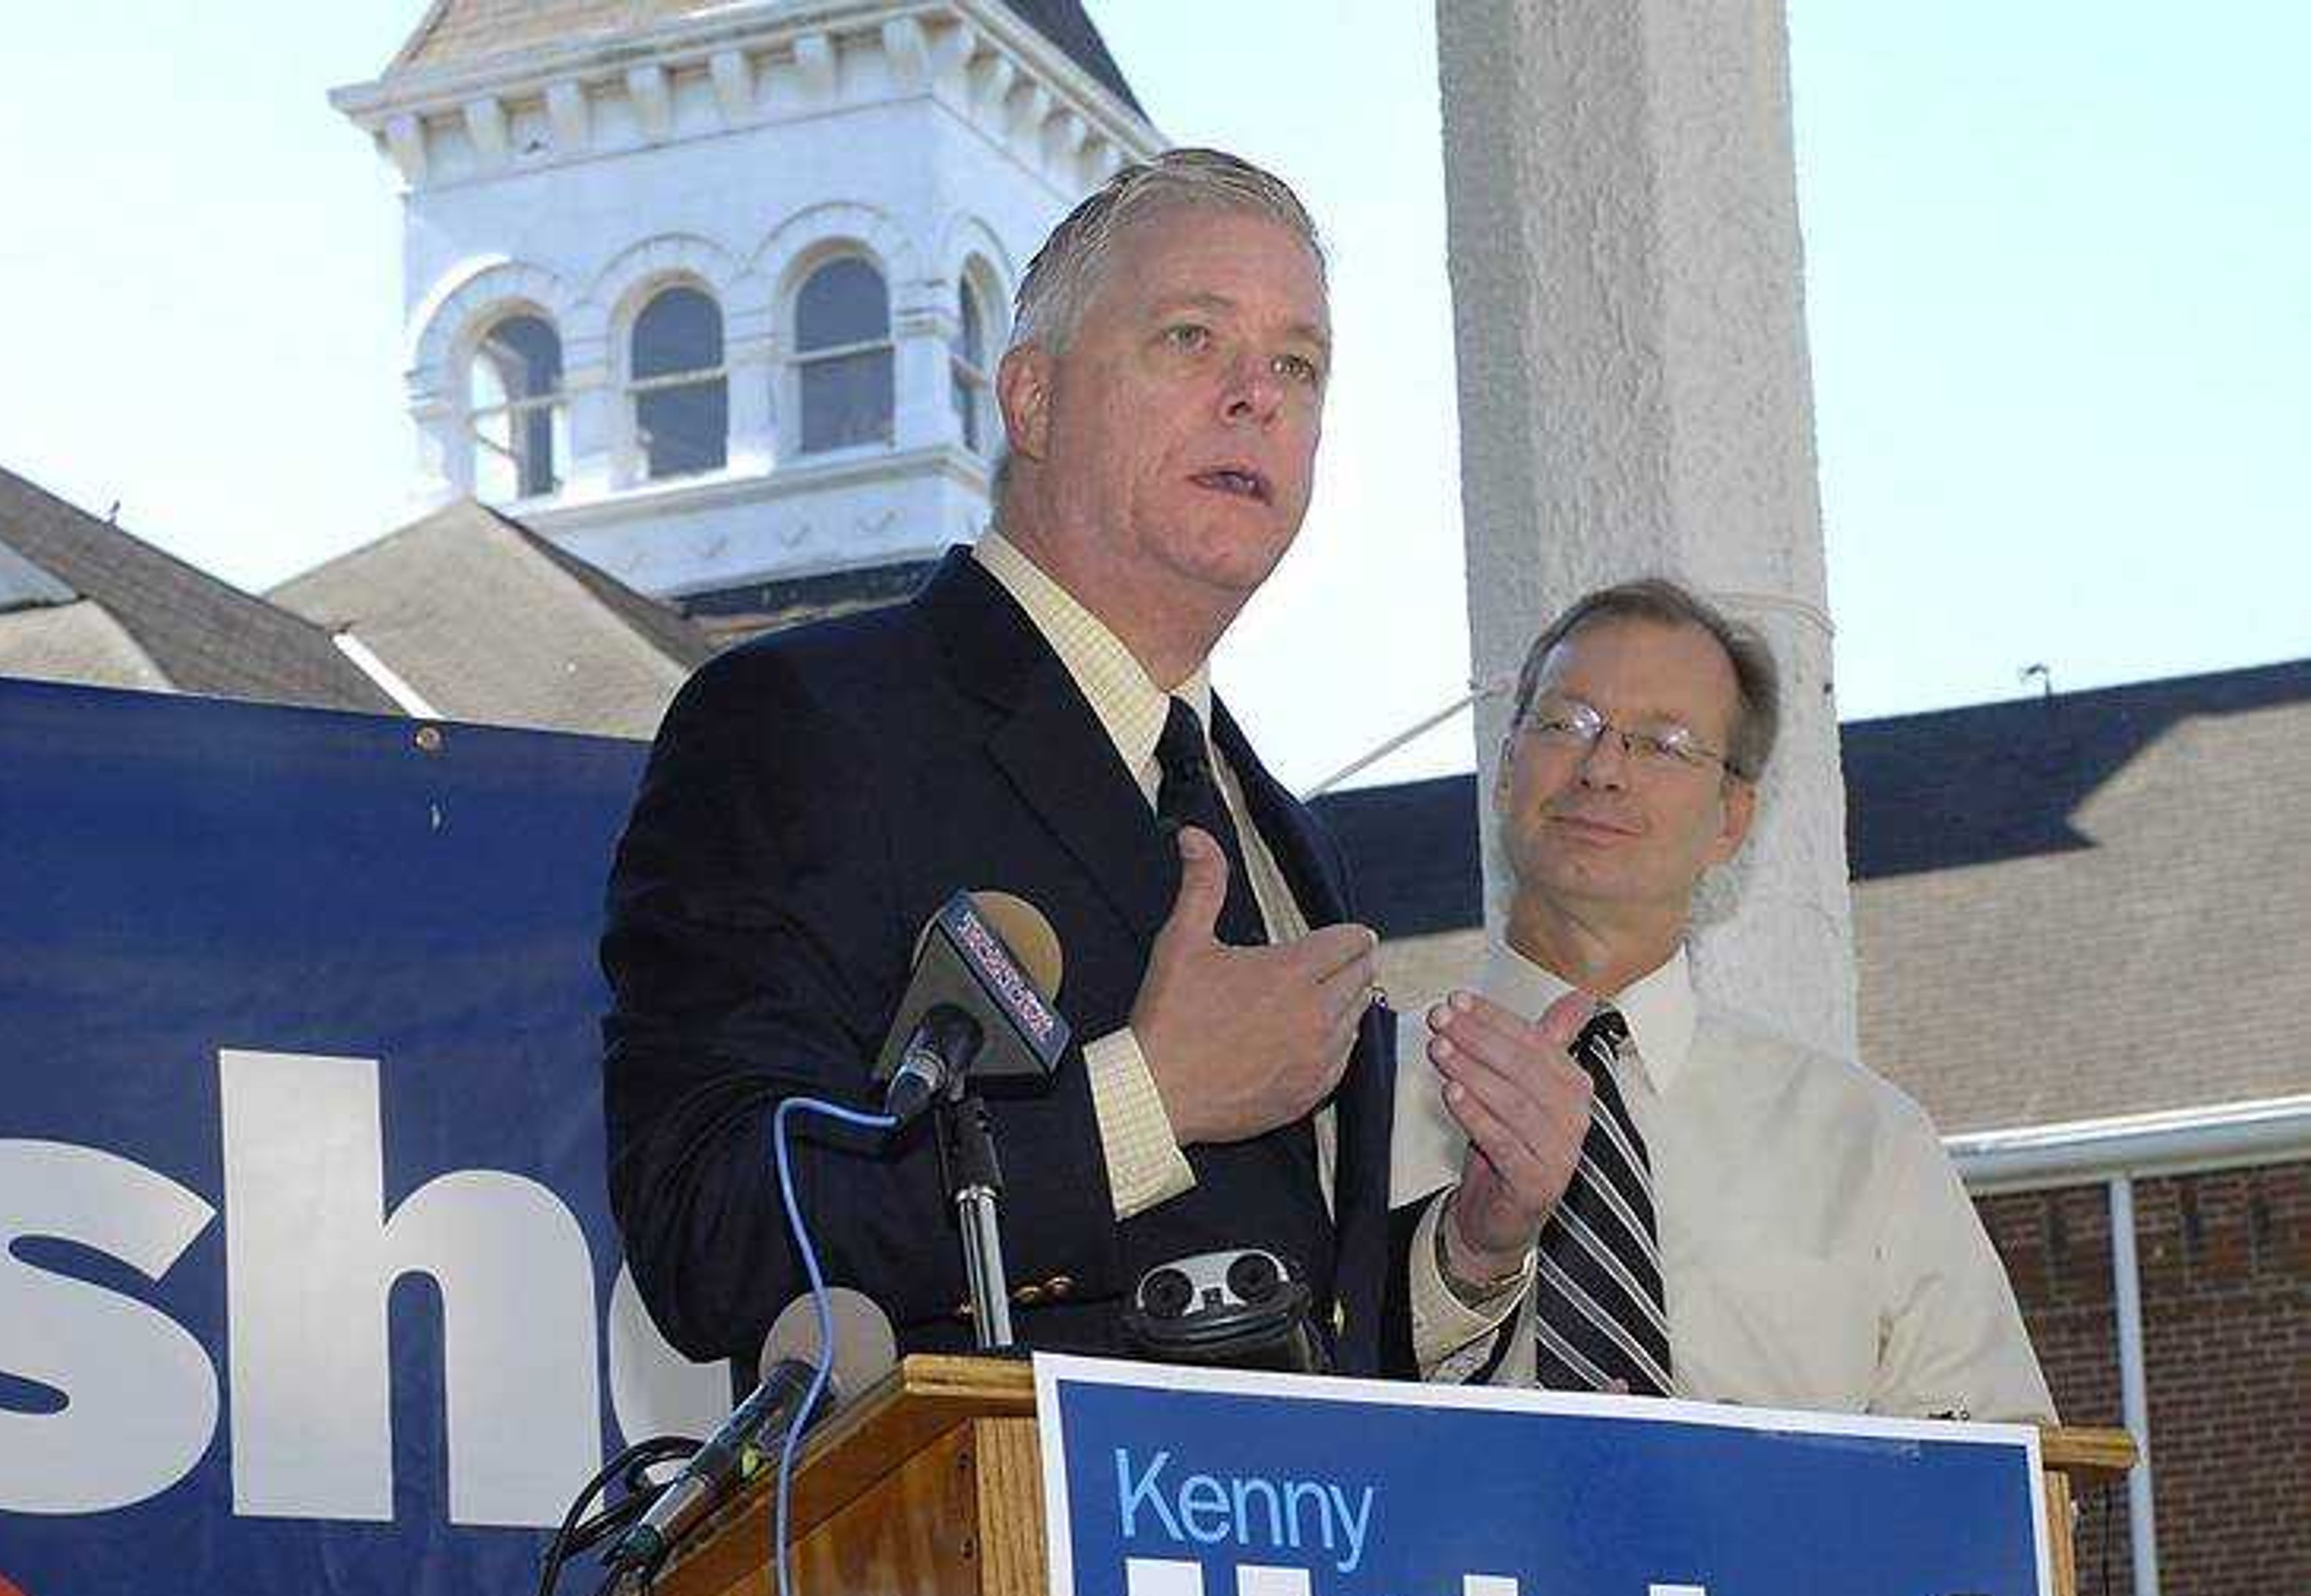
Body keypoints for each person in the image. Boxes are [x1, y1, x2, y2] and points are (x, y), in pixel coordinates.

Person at [603, 150, 1400, 1379]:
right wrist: (1147, 1103)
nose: (1259, 396)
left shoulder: (1289, 834)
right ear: (1030, 401)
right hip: (984, 1550)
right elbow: (715, 1229)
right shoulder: (801, 722)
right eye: (1193, 338)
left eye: (1299, 364)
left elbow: (1294, 1300)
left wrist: (1467, 1260)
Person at [1396, 578, 2053, 1420]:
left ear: (1731, 820)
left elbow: (2009, 1489)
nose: (1602, 770)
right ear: (1507, 765)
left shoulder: (1869, 1145)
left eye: (1662, 744)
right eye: (1566, 725)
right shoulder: (1354, 1099)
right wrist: (1463, 1258)